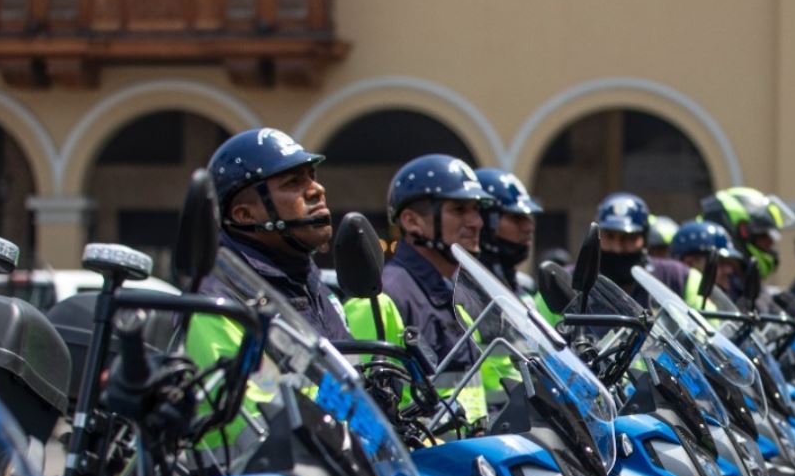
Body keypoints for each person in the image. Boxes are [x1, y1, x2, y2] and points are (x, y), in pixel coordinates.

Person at [191, 128, 346, 366]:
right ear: (245, 215)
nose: (317, 189)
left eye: (311, 175)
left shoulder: (310, 283)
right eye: (293, 182)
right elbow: (250, 401)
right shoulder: (217, 302)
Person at [353, 154, 492, 370]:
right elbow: (362, 396)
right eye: (459, 209)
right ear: (412, 221)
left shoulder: (461, 295)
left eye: (476, 210)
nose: (477, 222)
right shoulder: (379, 299)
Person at [699, 187, 795, 303]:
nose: (770, 244)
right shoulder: (718, 280)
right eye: (763, 235)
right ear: (742, 231)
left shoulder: (747, 280)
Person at [593, 192, 689, 301]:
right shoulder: (574, 278)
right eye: (609, 237)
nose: (617, 248)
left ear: (645, 238)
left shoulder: (678, 276)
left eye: (628, 238)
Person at [475, 168, 543, 289]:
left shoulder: (526, 288)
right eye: (517, 218)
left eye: (528, 217)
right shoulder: (466, 289)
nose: (529, 227)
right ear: (484, 221)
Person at [671, 219, 743, 309]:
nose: (729, 270)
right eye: (720, 262)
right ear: (689, 263)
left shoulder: (735, 298)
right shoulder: (671, 311)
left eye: (729, 263)